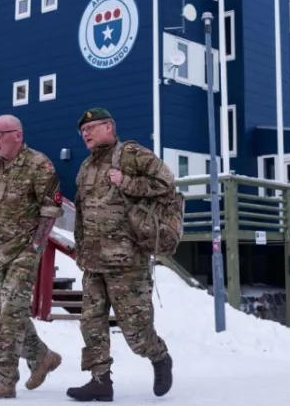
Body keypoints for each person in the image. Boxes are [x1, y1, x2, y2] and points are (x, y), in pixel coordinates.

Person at [66, 108, 174, 402]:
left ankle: (159, 356)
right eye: (83, 130)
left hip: (127, 261)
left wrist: (127, 181)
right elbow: (82, 212)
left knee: (136, 331)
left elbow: (165, 181)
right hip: (93, 261)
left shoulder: (131, 154)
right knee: (91, 323)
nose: (86, 133)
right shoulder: (86, 166)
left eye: (91, 128)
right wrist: (80, 249)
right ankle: (100, 381)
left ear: (109, 127)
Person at [0, 114, 64, 400]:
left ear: (17, 135)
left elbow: (50, 210)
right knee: (1, 310)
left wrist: (36, 246)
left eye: (0, 134)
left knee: (10, 314)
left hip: (25, 253)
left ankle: (4, 378)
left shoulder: (39, 165)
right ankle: (42, 356)